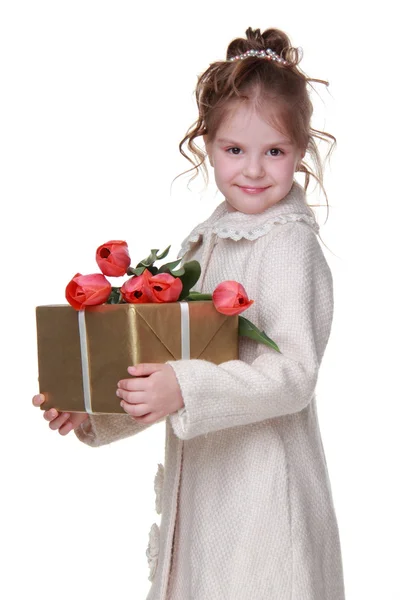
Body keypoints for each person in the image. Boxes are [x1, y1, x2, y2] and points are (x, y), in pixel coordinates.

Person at [33, 27, 346, 600]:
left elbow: (292, 375)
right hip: (205, 490)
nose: (253, 169)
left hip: (263, 497)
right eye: (235, 150)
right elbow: (171, 362)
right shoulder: (205, 240)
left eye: (274, 151)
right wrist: (96, 409)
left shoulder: (287, 243)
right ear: (208, 145)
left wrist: (184, 385)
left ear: (300, 152)